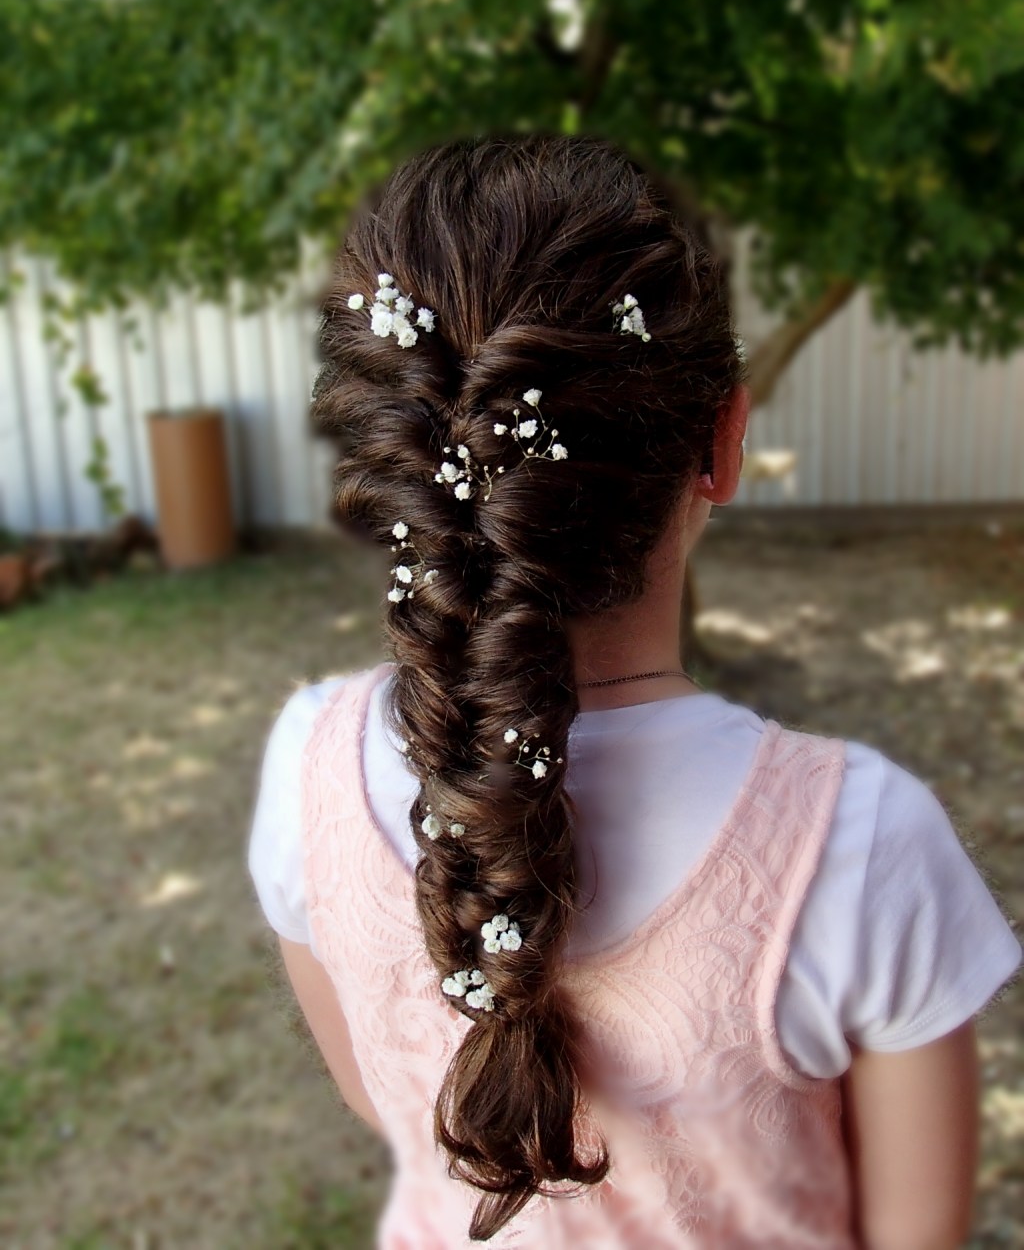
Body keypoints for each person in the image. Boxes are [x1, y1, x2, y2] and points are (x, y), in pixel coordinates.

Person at [249, 135, 1020, 1248]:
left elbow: (403, 1119)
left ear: (399, 462)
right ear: (724, 441)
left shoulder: (309, 766)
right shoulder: (860, 849)